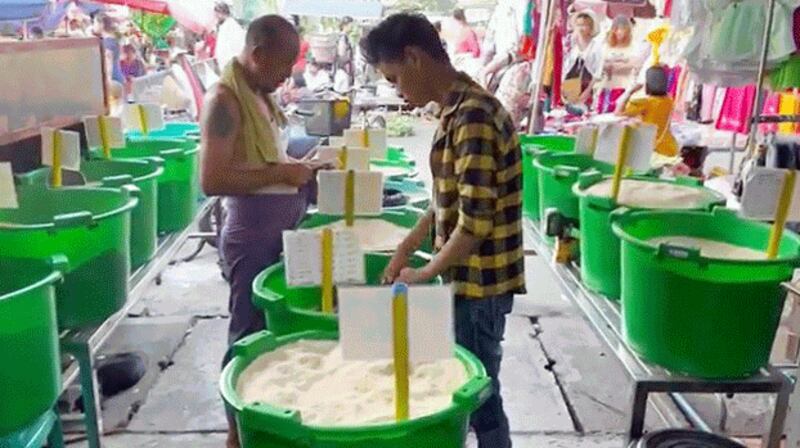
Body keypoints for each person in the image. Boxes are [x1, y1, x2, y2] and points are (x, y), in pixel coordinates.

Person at [362, 14, 524, 448]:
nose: (398, 90)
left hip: (480, 286)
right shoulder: (457, 109)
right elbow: (446, 200)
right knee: (462, 382)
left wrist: (426, 272)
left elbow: (474, 222)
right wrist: (407, 245)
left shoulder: (474, 117)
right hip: (465, 281)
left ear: (414, 58)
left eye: (395, 78)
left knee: (479, 394)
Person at [199, 15, 315, 448]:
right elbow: (211, 179)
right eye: (283, 65)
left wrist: (296, 170)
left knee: (272, 329)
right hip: (250, 236)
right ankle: (238, 432)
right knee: (246, 334)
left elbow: (264, 158)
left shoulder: (260, 94)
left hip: (278, 227)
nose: (288, 74)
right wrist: (282, 172)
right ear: (257, 54)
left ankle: (267, 422)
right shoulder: (224, 101)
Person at [617, 66, 679, 157]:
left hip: (653, 147)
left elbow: (618, 113)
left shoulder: (646, 102)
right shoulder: (669, 100)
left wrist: (630, 92)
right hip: (669, 145)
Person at [595, 15, 644, 113]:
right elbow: (600, 64)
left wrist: (613, 65)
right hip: (607, 87)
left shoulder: (634, 47)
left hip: (624, 88)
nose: (619, 32)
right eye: (616, 29)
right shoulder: (606, 46)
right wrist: (622, 63)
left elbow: (635, 64)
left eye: (622, 29)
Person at [562, 11, 601, 106]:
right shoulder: (571, 44)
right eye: (578, 25)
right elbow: (565, 67)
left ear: (591, 27)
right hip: (569, 84)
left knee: (583, 112)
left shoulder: (596, 46)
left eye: (584, 25)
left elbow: (597, 72)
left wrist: (587, 91)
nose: (581, 28)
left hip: (587, 84)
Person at [214, 1, 246, 69]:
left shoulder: (232, 26)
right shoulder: (224, 26)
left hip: (232, 66)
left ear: (222, 12)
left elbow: (237, 47)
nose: (216, 17)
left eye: (217, 14)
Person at [94, 14, 124, 84]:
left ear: (101, 24)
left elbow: (108, 61)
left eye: (95, 23)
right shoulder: (114, 39)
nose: (94, 25)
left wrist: (108, 80)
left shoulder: (108, 42)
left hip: (112, 78)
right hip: (117, 75)